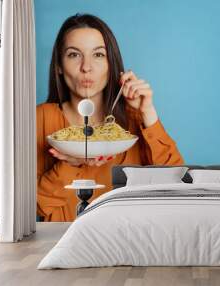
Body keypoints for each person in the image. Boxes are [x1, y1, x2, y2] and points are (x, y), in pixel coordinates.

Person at [36, 14, 184, 222]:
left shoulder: (134, 119)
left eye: (98, 55)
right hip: (64, 242)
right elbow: (36, 205)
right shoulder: (41, 117)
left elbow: (176, 185)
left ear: (111, 63)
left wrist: (148, 113)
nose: (86, 67)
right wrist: (72, 164)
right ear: (59, 65)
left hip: (130, 241)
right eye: (73, 55)